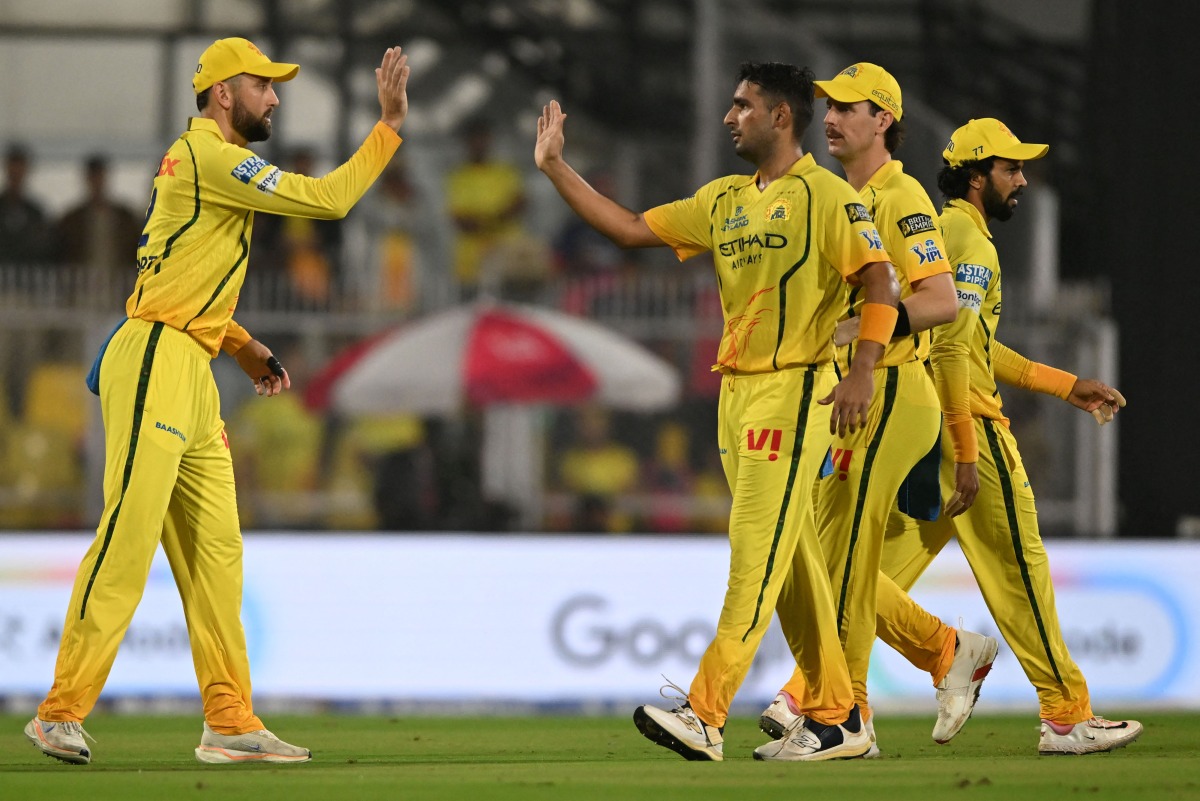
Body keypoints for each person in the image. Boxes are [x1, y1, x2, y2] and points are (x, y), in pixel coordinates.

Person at [23, 37, 411, 766]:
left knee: (217, 554)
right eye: (262, 85)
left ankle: (229, 718)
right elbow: (325, 200)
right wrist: (387, 126)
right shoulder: (210, 156)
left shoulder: (206, 165)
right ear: (224, 93)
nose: (273, 96)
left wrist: (238, 344)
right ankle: (59, 711)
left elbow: (179, 271)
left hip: (192, 364)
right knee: (130, 534)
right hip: (155, 359)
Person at [536, 61, 901, 762]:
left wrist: (862, 368)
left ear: (780, 117)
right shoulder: (725, 199)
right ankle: (837, 713)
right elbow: (630, 228)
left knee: (754, 556)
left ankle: (705, 712)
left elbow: (878, 278)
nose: (729, 117)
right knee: (791, 561)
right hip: (735, 395)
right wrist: (556, 168)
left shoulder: (826, 195)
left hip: (795, 390)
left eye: (742, 106)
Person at [797, 117, 1138, 756]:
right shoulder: (968, 241)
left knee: (857, 569)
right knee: (1020, 575)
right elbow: (955, 349)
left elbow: (974, 344)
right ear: (978, 176)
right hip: (968, 429)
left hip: (919, 422)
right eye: (1011, 168)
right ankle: (1067, 714)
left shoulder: (946, 229)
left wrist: (1065, 385)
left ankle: (829, 704)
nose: (1022, 180)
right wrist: (966, 450)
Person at [754, 63, 995, 760]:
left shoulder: (901, 195)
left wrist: (859, 329)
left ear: (883, 119)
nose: (830, 117)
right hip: (848, 395)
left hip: (893, 391)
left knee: (848, 559)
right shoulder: (830, 194)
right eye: (827, 106)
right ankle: (943, 650)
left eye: (848, 108)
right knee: (819, 559)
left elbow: (942, 299)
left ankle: (847, 717)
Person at [53, 154, 142, 303]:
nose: (97, 182)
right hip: (82, 289)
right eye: (94, 177)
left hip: (118, 288)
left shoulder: (125, 218)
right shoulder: (72, 220)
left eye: (99, 177)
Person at [0, 143, 51, 265]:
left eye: (20, 170)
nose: (16, 175)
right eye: (13, 171)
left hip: (27, 277)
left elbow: (44, 248)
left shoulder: (36, 213)